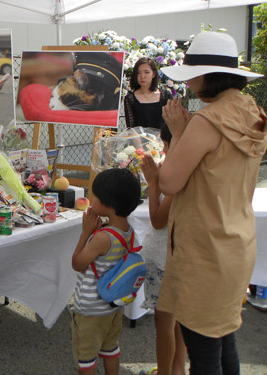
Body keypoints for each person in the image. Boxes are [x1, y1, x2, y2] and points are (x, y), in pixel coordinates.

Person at [157, 31, 267, 375]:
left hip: (204, 251)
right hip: (235, 244)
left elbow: (169, 181)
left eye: (192, 74)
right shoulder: (253, 113)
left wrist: (179, 133)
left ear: (207, 75)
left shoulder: (208, 120)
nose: (188, 83)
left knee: (204, 356)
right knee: (224, 341)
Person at [71, 168, 141, 375]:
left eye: (95, 196)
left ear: (108, 205)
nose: (92, 200)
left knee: (86, 358)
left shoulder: (102, 238)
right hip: (113, 307)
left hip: (91, 309)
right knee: (110, 348)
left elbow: (78, 263)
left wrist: (86, 233)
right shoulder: (127, 230)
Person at [138, 125, 187, 375]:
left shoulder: (179, 175)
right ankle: (177, 369)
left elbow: (158, 219)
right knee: (178, 321)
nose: (165, 151)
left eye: (167, 146)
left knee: (164, 322)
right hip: (179, 256)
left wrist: (153, 181)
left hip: (164, 259)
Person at [124, 57, 173, 129]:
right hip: (140, 139)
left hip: (163, 139)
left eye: (146, 72)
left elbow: (172, 122)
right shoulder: (130, 99)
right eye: (138, 73)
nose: (142, 76)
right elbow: (131, 128)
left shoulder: (166, 96)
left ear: (153, 74)